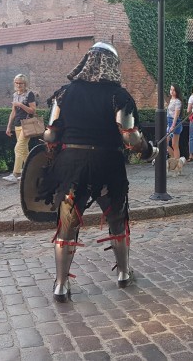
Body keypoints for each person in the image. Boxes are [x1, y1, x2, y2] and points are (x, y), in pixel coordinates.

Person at [35, 42, 156, 302]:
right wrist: (149, 151)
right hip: (107, 163)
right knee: (117, 216)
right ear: (113, 65)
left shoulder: (64, 94)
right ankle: (123, 273)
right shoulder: (118, 96)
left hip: (72, 164)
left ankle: (60, 285)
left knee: (67, 224)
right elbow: (131, 138)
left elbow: (51, 134)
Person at [4, 74, 37, 182]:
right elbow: (13, 112)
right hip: (18, 125)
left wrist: (21, 105)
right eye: (17, 83)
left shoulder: (29, 94)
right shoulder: (15, 95)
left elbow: (33, 110)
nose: (18, 85)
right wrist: (9, 126)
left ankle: (16, 173)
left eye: (21, 83)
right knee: (23, 150)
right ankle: (32, 171)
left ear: (25, 84)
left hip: (27, 124)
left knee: (18, 148)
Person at [166, 84, 183, 160]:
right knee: (165, 142)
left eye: (173, 90)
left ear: (177, 91)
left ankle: (176, 161)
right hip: (169, 122)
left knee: (174, 144)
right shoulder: (171, 100)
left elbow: (176, 115)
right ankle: (173, 158)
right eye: (171, 90)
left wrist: (173, 125)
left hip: (175, 123)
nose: (172, 92)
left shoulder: (177, 101)